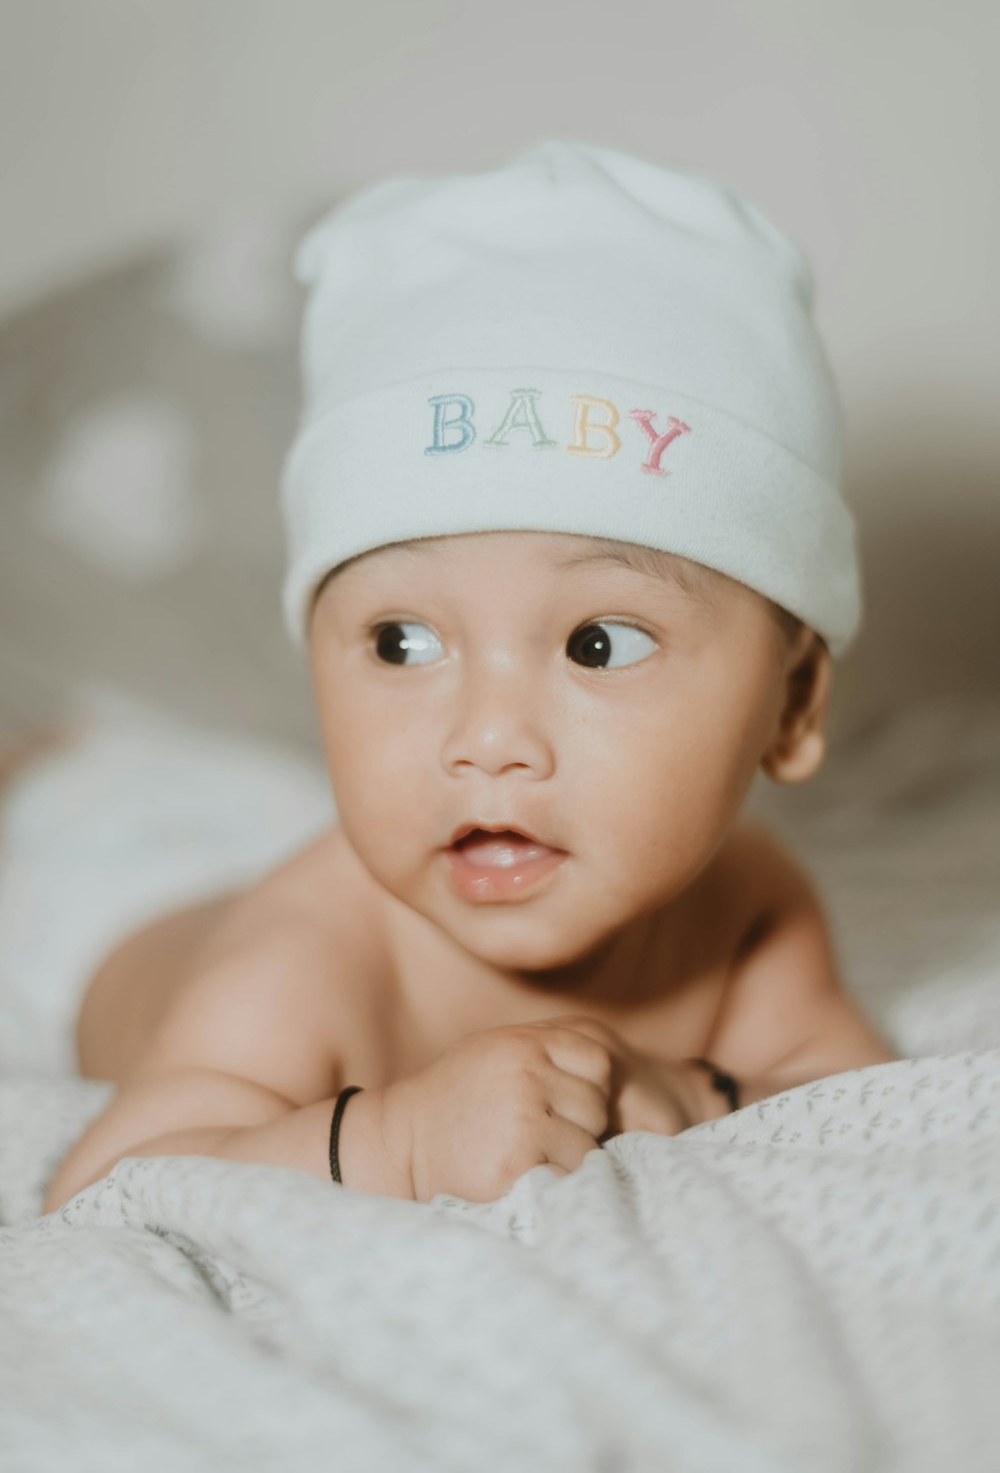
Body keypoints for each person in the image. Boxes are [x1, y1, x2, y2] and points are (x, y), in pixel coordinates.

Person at [37, 138, 897, 1215]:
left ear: (794, 703)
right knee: (69, 801)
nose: (487, 737)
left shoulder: (752, 913)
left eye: (599, 643)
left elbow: (852, 1097)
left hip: (244, 829)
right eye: (403, 643)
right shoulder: (308, 953)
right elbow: (106, 1179)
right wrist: (392, 1142)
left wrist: (686, 1090)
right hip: (112, 893)